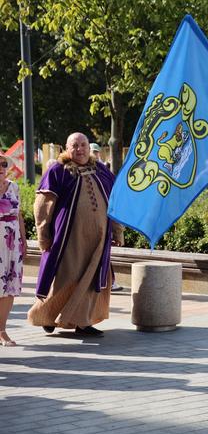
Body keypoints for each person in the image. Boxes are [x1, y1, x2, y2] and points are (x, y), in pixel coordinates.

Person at [27, 132, 124, 337]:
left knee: (91, 280)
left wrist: (118, 231)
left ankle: (83, 322)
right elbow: (42, 207)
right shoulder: (57, 171)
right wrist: (43, 236)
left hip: (98, 240)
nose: (79, 149)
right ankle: (46, 315)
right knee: (66, 279)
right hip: (68, 240)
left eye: (83, 145)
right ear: (66, 148)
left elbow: (116, 205)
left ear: (89, 147)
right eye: (74, 145)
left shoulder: (102, 172)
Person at [0, 154, 27, 346]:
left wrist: (24, 241)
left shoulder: (14, 187)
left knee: (9, 288)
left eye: (3, 164)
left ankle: (2, 330)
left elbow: (18, 216)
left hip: (12, 244)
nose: (1, 167)